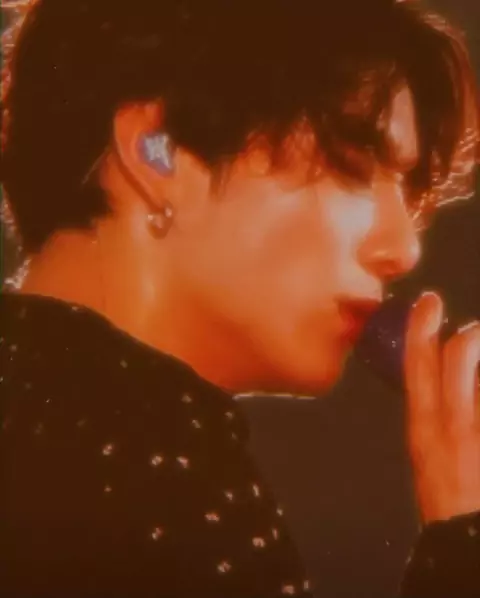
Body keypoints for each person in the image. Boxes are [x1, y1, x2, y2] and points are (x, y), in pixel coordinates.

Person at [0, 0, 479, 596]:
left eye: (407, 194)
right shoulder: (159, 469)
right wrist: (464, 544)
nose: (403, 249)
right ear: (158, 151)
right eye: (355, 166)